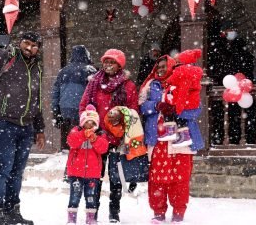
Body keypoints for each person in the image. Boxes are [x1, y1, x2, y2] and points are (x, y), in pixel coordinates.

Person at [0, 32, 45, 225]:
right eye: (27, 43)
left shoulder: (37, 68)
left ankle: (11, 210)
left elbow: (37, 99)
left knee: (17, 171)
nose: (30, 48)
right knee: (2, 168)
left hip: (26, 126)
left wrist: (39, 128)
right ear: (20, 43)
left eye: (34, 45)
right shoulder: (8, 55)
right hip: (3, 121)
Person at [79, 49, 138, 223]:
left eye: (112, 62)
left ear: (119, 65)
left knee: (116, 179)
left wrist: (122, 115)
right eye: (106, 61)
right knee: (94, 178)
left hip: (117, 140)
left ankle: (114, 212)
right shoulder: (94, 83)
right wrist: (89, 125)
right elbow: (83, 106)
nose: (108, 65)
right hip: (97, 138)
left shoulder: (128, 86)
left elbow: (134, 111)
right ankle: (92, 211)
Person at [139, 55, 195, 224]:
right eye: (158, 67)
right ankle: (158, 212)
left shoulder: (183, 82)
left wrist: (177, 110)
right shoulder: (150, 85)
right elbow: (141, 105)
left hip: (180, 140)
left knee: (180, 178)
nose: (161, 69)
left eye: (164, 66)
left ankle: (178, 212)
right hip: (157, 139)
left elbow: (195, 110)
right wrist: (156, 106)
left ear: (172, 66)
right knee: (157, 179)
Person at [209, 21, 256, 144]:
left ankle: (248, 140)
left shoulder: (241, 47)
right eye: (228, 30)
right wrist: (220, 79)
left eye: (233, 29)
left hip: (240, 87)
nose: (231, 32)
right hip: (223, 87)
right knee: (221, 116)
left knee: (242, 115)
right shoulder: (217, 48)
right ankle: (221, 140)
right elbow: (214, 66)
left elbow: (248, 64)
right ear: (223, 33)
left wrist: (243, 78)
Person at [66, 104, 109, 225]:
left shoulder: (100, 134)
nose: (89, 126)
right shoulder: (76, 131)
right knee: (74, 196)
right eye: (87, 123)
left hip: (92, 173)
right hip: (76, 172)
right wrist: (82, 135)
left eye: (92, 123)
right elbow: (71, 141)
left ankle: (91, 218)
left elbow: (104, 148)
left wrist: (95, 139)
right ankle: (71, 218)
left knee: (91, 197)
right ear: (82, 123)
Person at [51, 45, 96, 152]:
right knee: (84, 143)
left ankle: (70, 162)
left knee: (70, 142)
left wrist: (56, 111)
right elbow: (94, 93)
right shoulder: (90, 70)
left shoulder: (63, 71)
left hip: (64, 110)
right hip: (83, 111)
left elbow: (55, 93)